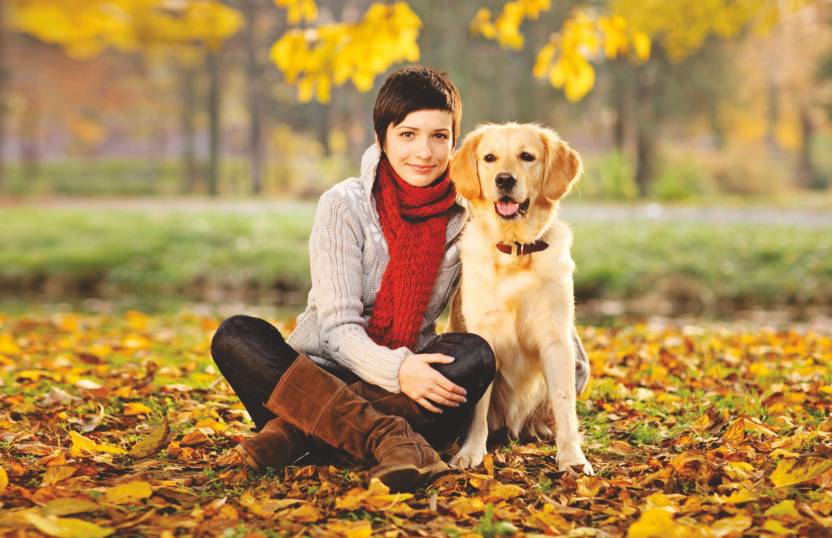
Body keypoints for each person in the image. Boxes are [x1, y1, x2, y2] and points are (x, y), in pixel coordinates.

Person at [210, 65, 590, 492]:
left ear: (452, 142)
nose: (424, 152)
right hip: (321, 375)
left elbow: (535, 311)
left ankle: (295, 436)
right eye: (408, 135)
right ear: (382, 139)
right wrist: (398, 369)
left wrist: (568, 370)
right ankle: (388, 439)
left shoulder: (471, 215)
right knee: (237, 336)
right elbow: (336, 329)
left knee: (474, 355)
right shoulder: (343, 205)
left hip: (404, 391)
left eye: (439, 136)